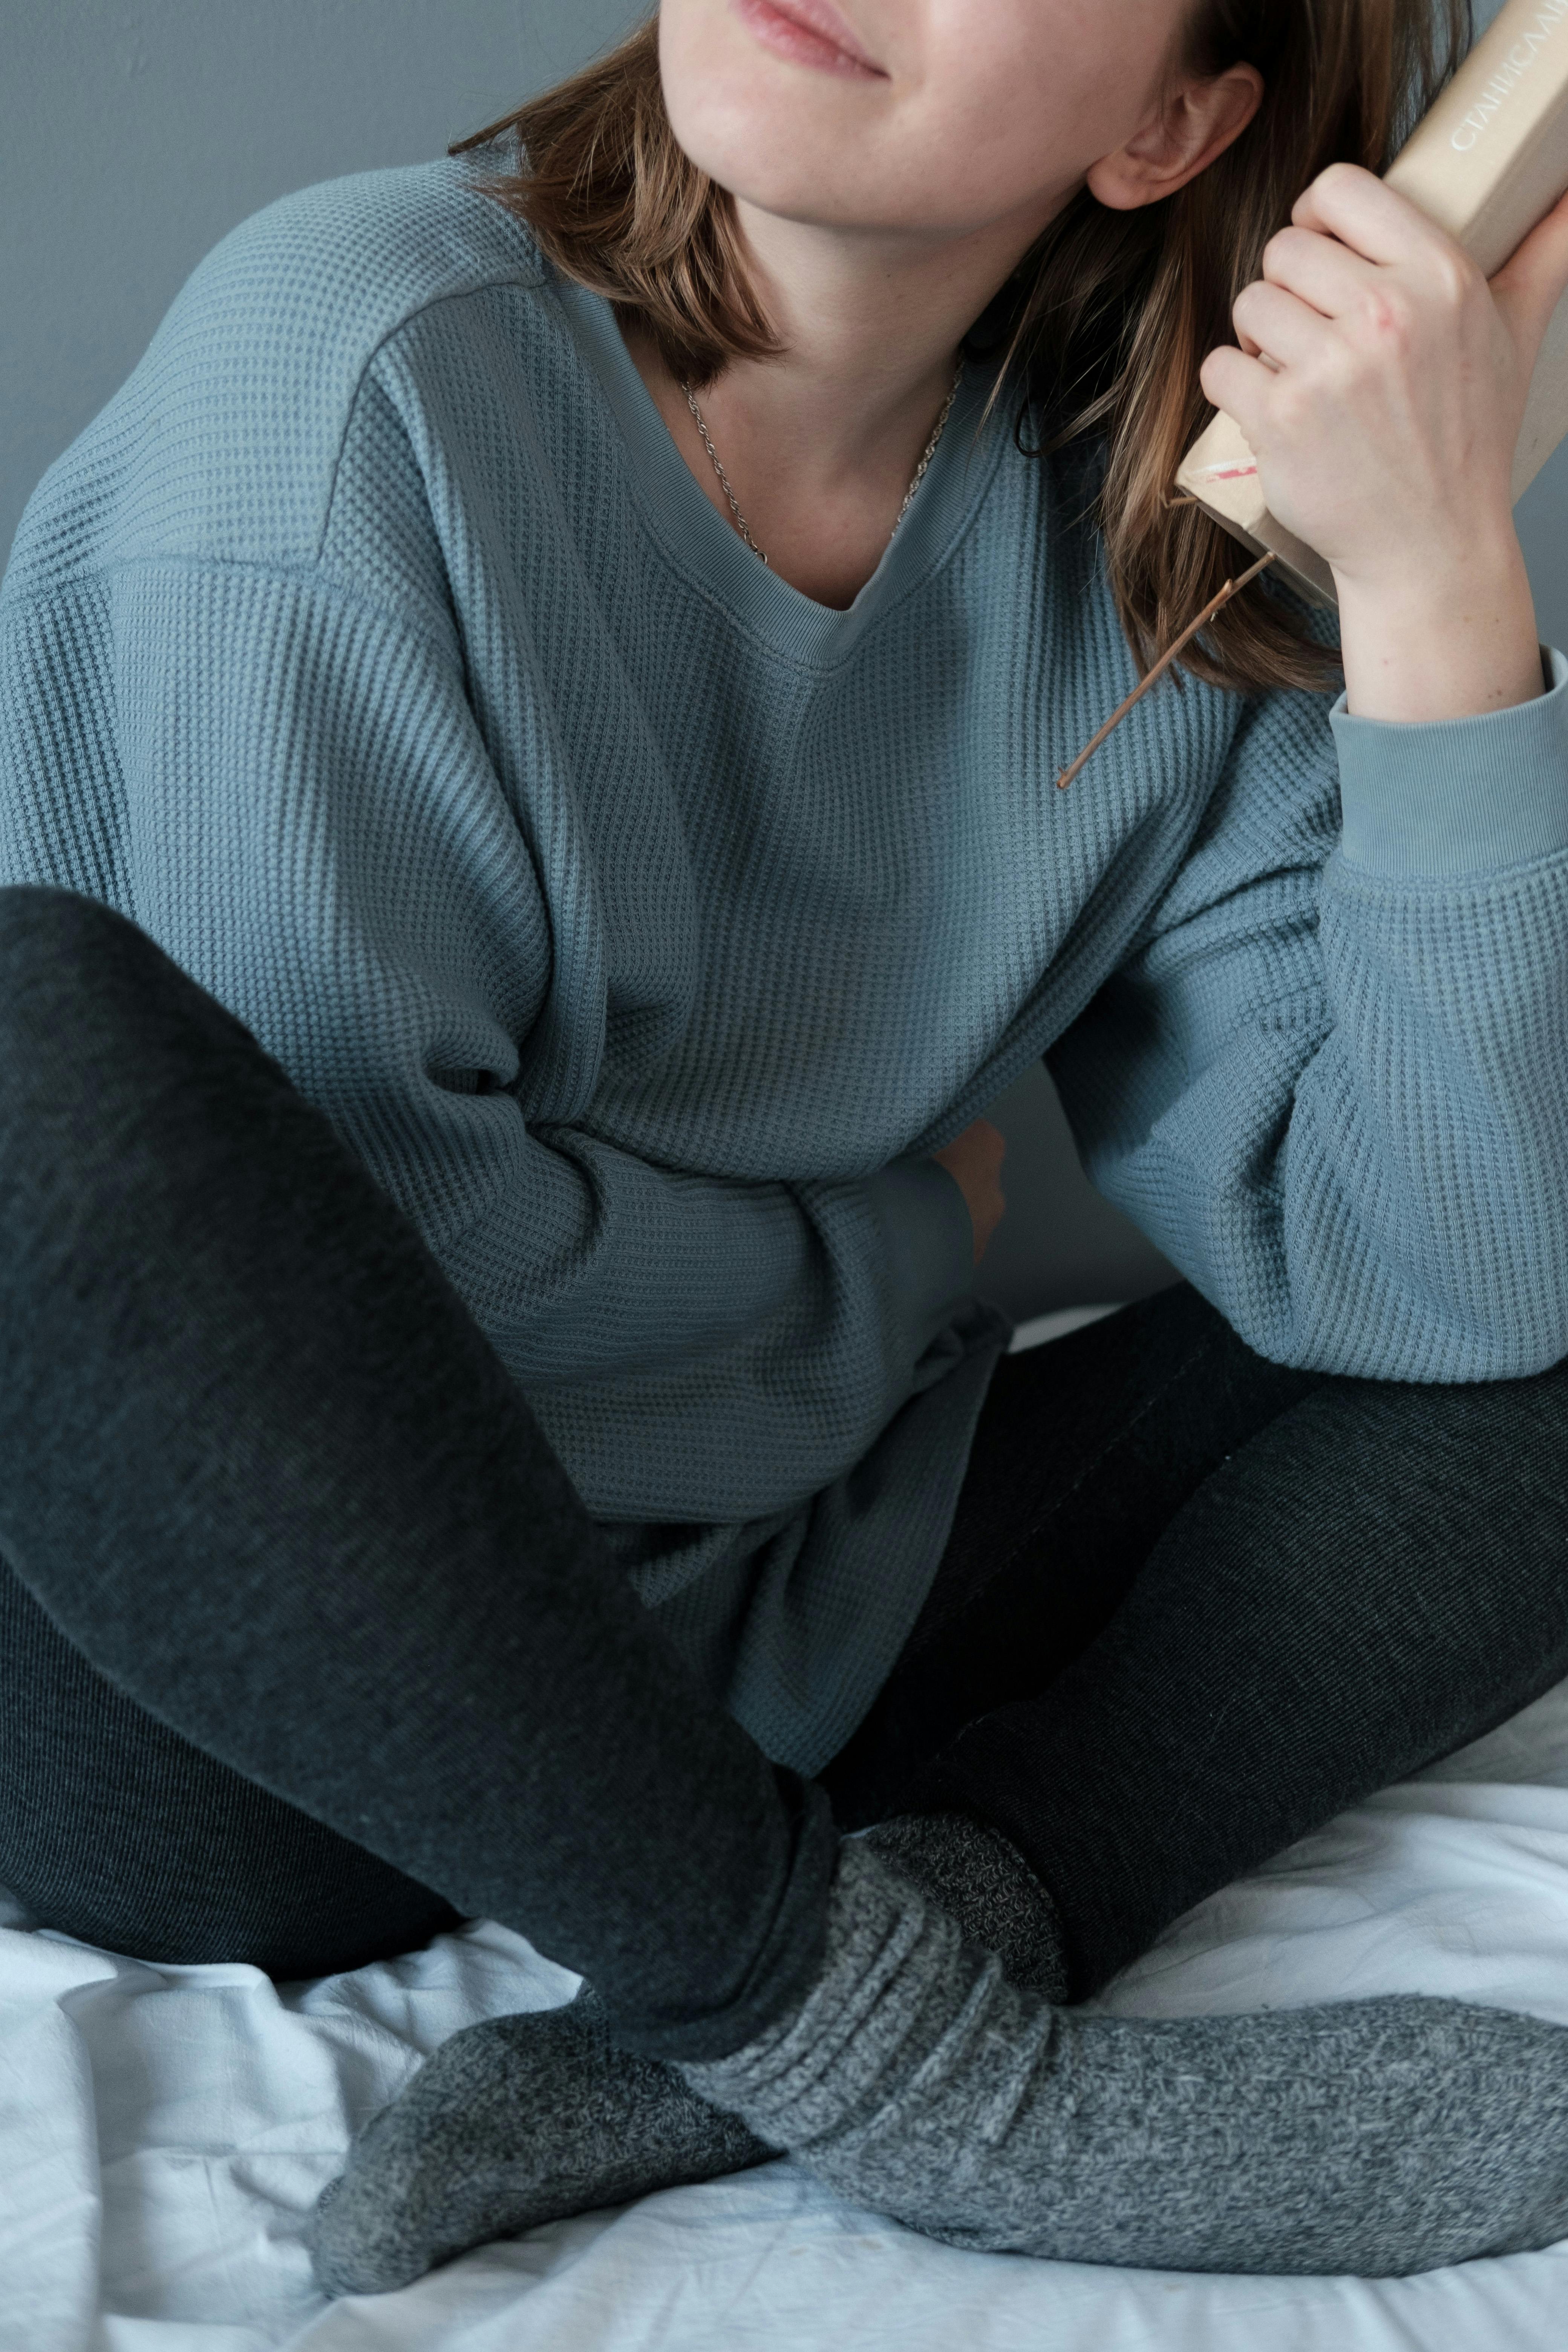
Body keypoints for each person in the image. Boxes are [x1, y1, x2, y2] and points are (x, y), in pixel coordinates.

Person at [5, 0, 1568, 2292]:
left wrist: (1439, 570)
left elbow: (1461, 1280)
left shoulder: (1166, 556)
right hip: (256, 1714)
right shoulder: (352, 371)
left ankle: (915, 1924)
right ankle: (910, 2069)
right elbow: (360, 1291)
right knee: (23, 1050)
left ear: (1176, 123)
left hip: (765, 1626)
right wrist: (905, 1263)